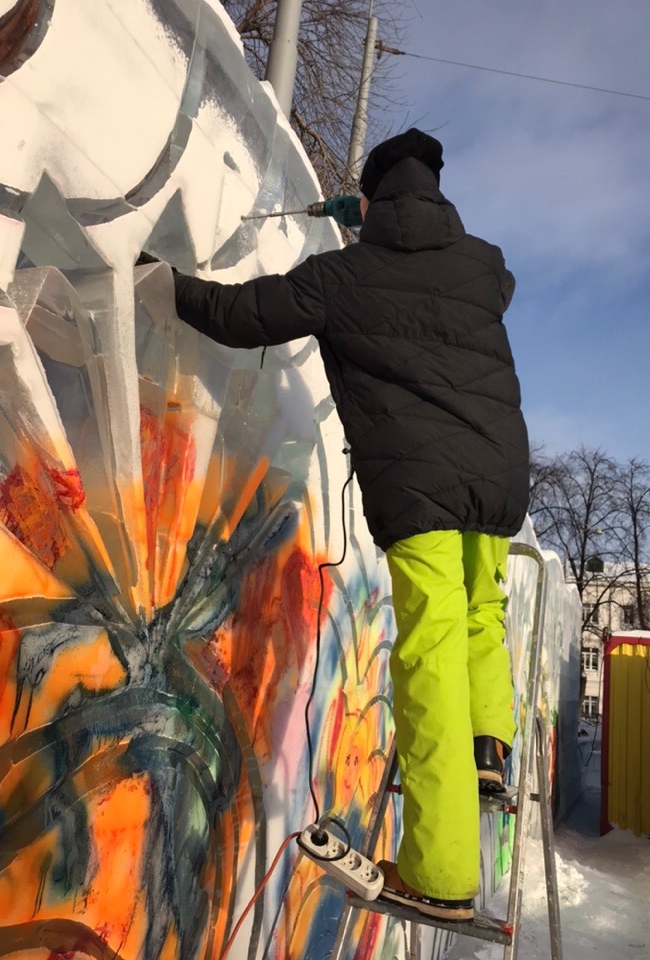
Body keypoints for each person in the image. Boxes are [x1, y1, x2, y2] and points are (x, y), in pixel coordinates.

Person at [170, 128, 529, 921]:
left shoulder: (345, 275)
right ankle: (489, 752)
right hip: (498, 477)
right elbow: (480, 278)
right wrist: (375, 217)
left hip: (422, 485)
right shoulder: (482, 265)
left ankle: (440, 877)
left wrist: (164, 284)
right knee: (480, 614)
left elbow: (241, 314)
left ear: (369, 201)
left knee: (430, 650)